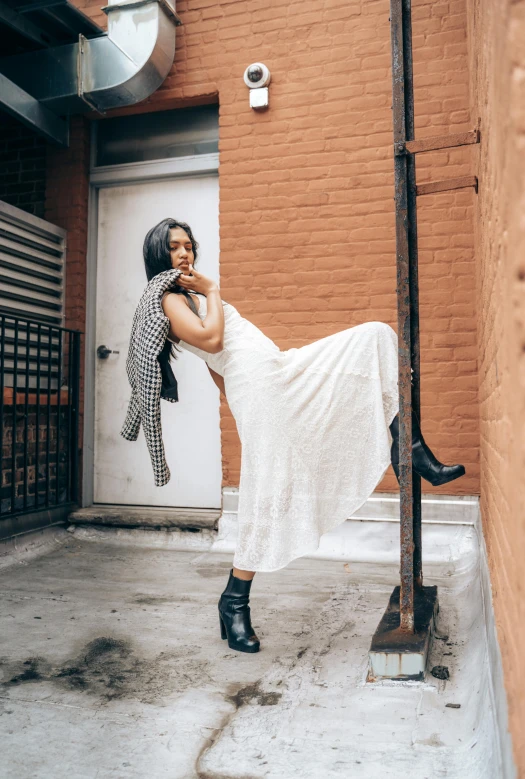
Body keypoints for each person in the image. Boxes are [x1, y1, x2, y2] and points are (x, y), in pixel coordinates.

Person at [143, 217, 465, 655]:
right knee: (268, 493)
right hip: (264, 390)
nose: (185, 254)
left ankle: (409, 447)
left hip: (276, 376)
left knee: (376, 337)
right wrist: (214, 290)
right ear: (158, 255)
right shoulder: (168, 300)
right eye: (173, 248)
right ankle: (234, 602)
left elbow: (212, 363)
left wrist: (234, 399)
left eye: (188, 246)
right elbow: (214, 343)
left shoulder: (188, 296)